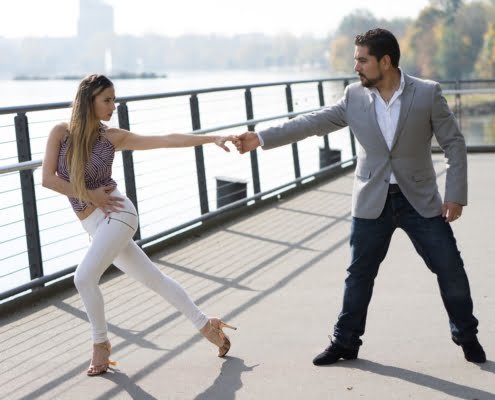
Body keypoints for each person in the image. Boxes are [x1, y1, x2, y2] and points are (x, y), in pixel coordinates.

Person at [234, 28, 486, 365]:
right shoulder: (354, 97)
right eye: (356, 60)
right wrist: (261, 138)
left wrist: (455, 195)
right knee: (359, 275)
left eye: (362, 60)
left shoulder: (427, 93)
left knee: (450, 268)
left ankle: (466, 336)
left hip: (419, 200)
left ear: (385, 61)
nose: (356, 67)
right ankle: (345, 342)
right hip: (372, 200)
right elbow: (313, 122)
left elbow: (454, 143)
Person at [42, 74, 237, 376]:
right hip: (94, 224)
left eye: (114, 100)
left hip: (118, 215)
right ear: (88, 100)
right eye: (107, 100)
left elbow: (166, 140)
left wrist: (212, 138)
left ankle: (100, 344)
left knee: (83, 278)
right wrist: (87, 193)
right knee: (154, 280)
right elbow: (48, 179)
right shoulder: (61, 133)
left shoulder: (111, 137)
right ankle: (206, 324)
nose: (113, 106)